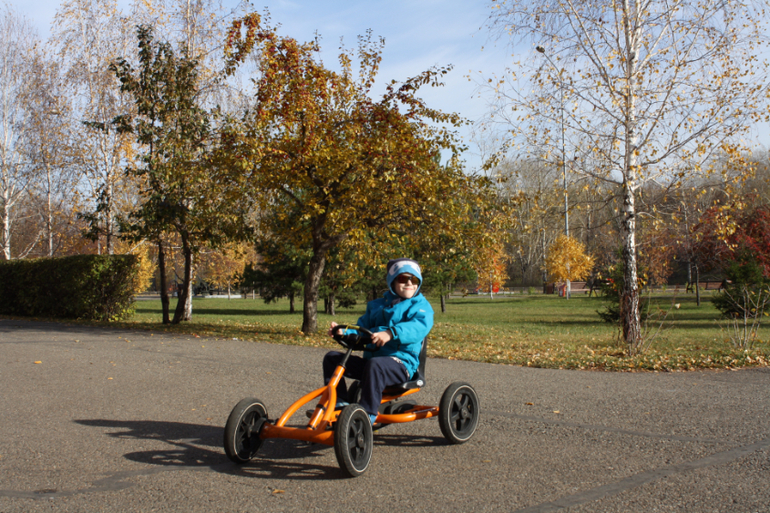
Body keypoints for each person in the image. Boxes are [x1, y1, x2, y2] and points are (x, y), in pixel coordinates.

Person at [324, 258, 434, 425]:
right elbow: (361, 327)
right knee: (332, 358)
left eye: (414, 280)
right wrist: (344, 332)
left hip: (401, 364)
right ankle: (339, 403)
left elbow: (418, 327)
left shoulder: (420, 306)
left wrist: (391, 333)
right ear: (392, 281)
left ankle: (366, 414)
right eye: (403, 279)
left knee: (376, 365)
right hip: (372, 364)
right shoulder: (377, 306)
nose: (409, 283)